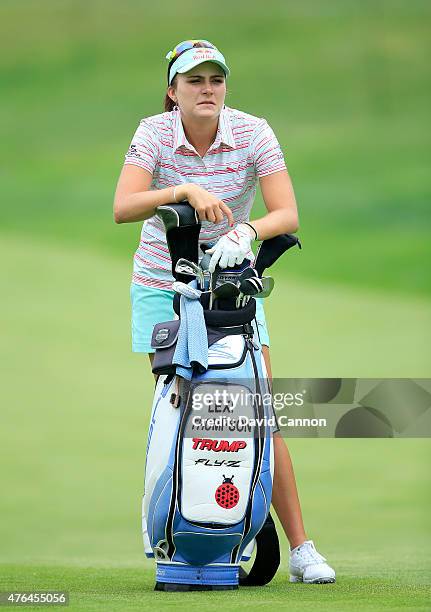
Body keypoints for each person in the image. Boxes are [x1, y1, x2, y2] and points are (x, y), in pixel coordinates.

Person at [114, 39, 335, 584]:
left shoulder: (254, 131)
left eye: (215, 80)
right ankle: (182, 535)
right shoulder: (153, 132)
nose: (207, 89)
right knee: (182, 408)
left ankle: (301, 549)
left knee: (257, 410)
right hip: (163, 287)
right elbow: (124, 206)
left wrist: (245, 230)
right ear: (174, 92)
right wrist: (183, 189)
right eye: (194, 81)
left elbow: (287, 213)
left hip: (233, 288)